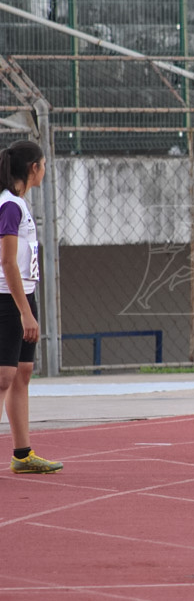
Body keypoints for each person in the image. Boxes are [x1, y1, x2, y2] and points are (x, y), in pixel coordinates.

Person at [0, 140, 62, 474]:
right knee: (3, 376)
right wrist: (25, 312)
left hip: (24, 293)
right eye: (43, 164)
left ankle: (22, 454)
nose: (45, 171)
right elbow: (7, 263)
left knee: (22, 373)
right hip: (7, 298)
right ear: (32, 168)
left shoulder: (18, 205)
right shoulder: (9, 206)